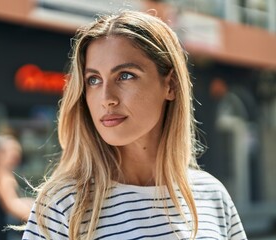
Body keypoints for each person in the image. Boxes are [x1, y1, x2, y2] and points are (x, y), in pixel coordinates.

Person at [22, 10, 247, 240]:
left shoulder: (211, 194)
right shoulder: (63, 204)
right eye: (94, 80)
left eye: (125, 75)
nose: (107, 97)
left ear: (170, 85)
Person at [0, 134, 34, 240]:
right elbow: (11, 205)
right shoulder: (0, 172)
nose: (16, 154)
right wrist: (38, 218)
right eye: (11, 150)